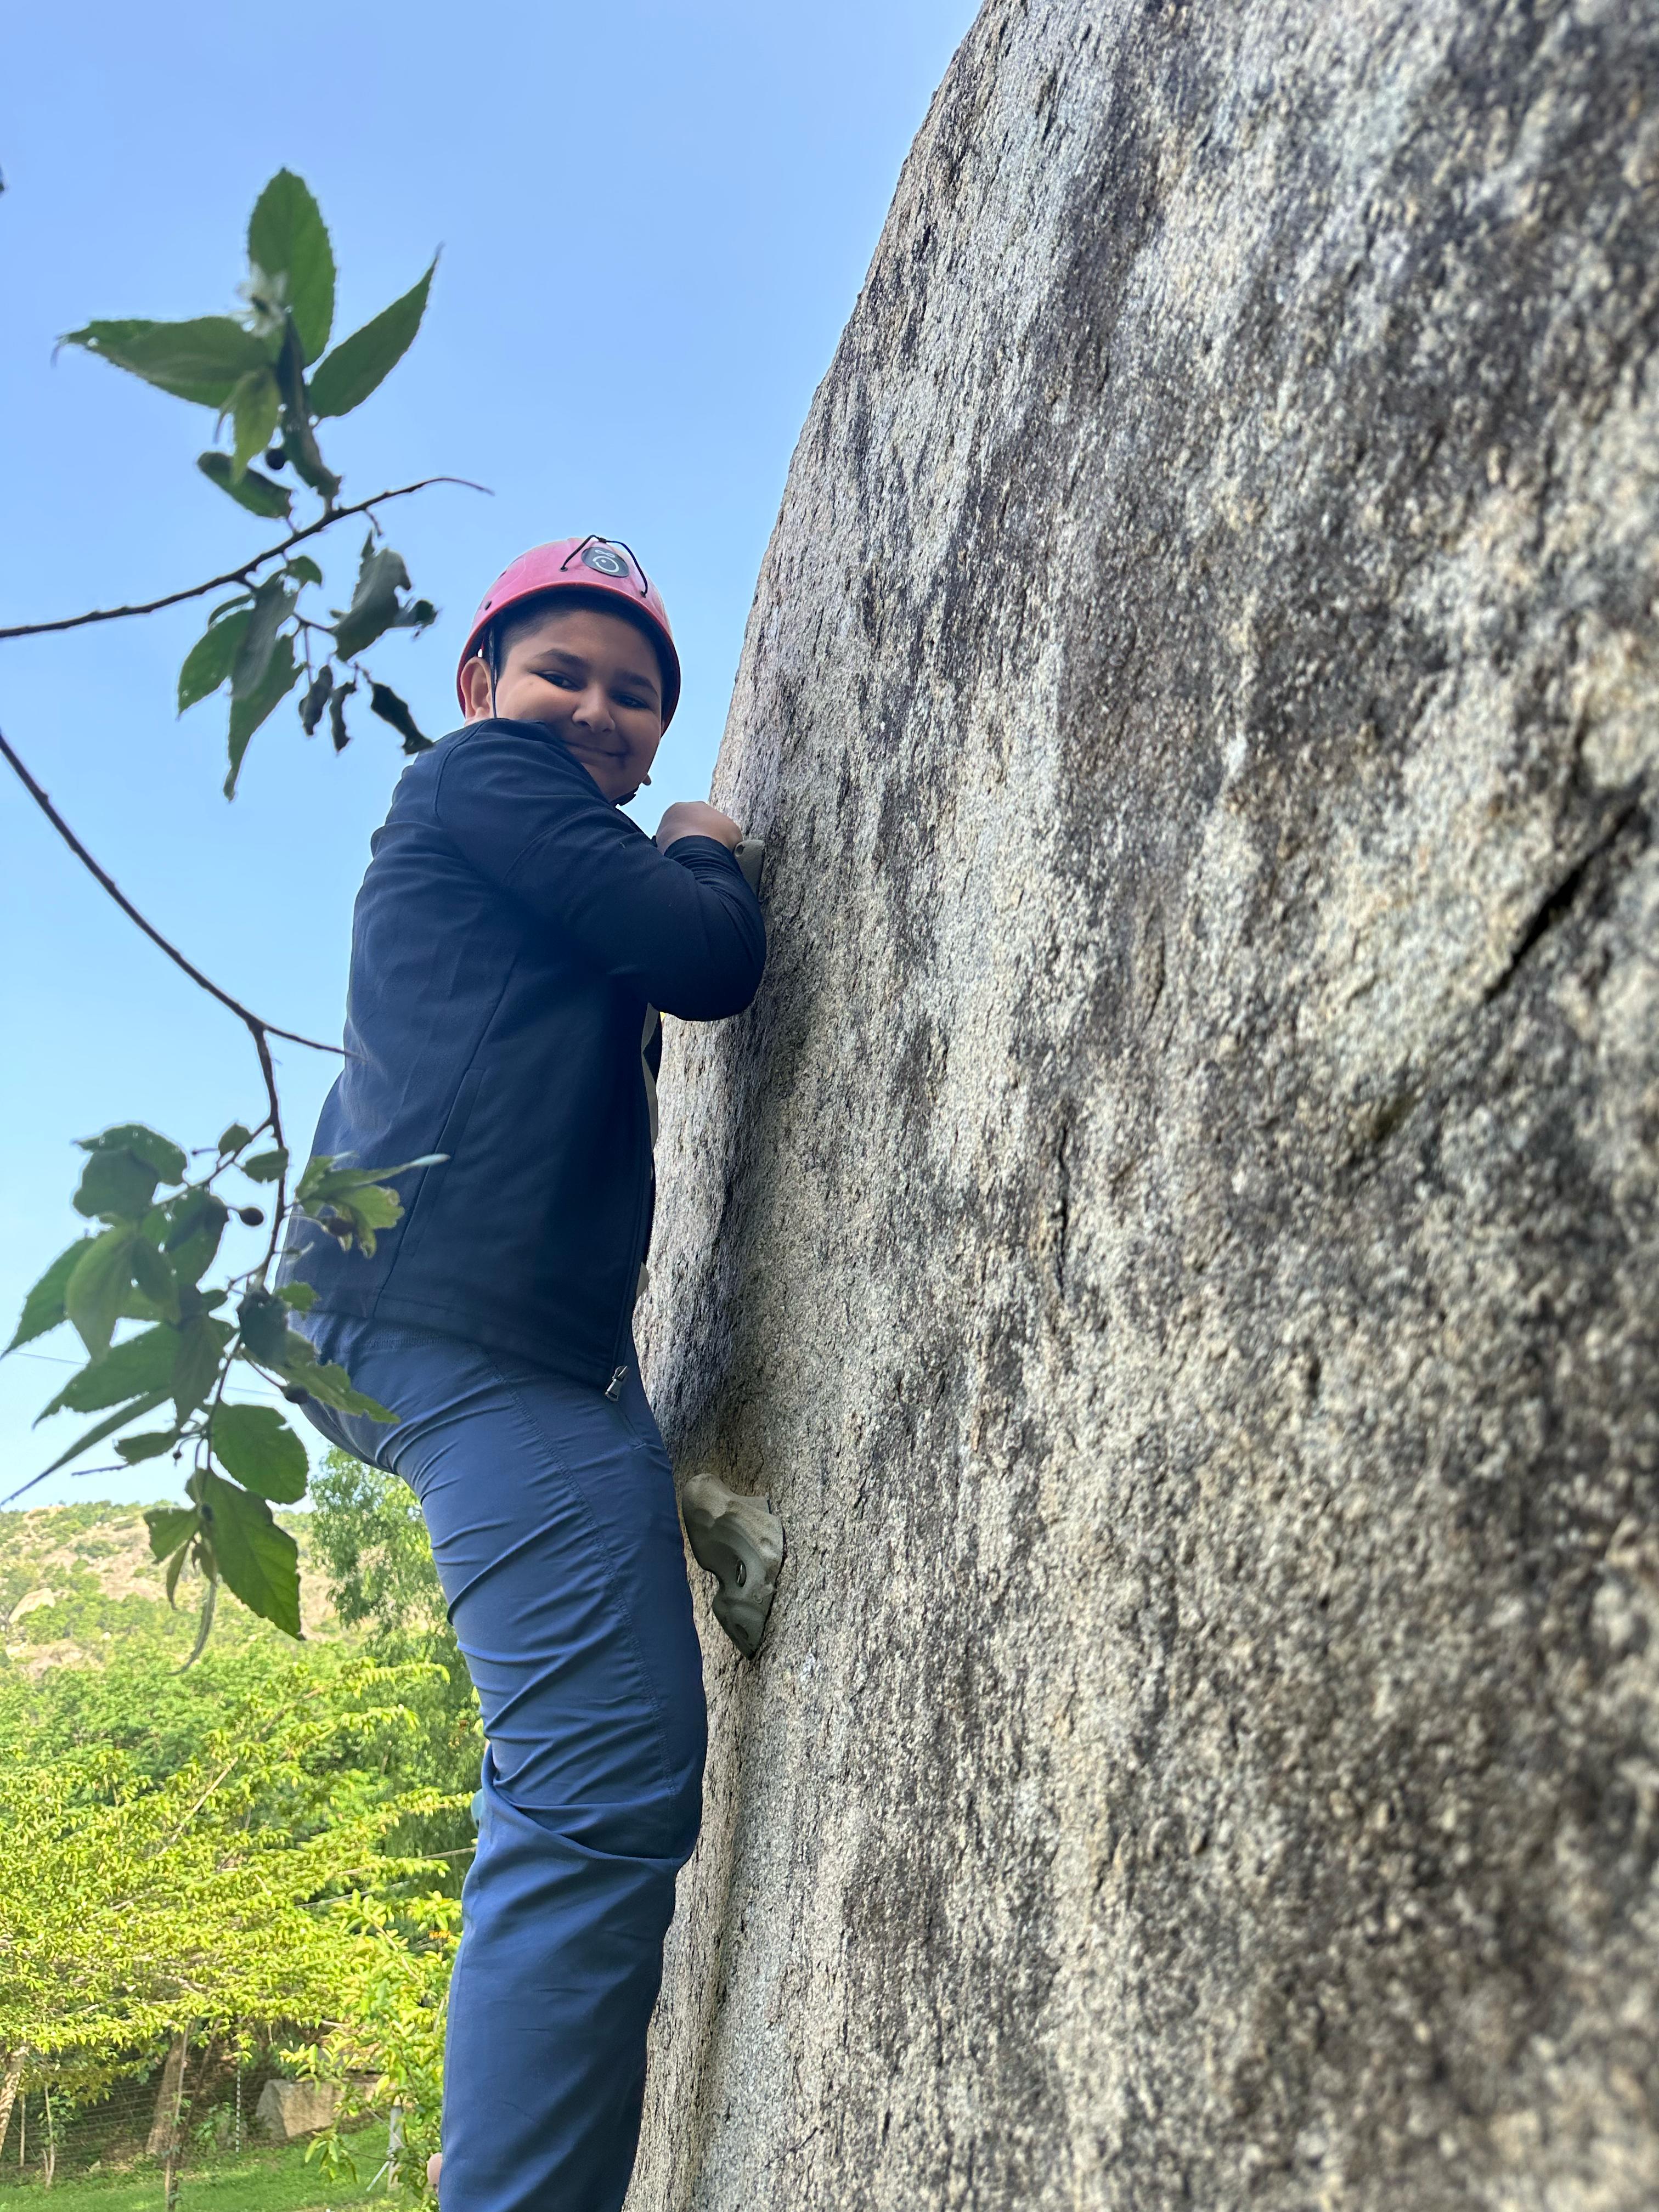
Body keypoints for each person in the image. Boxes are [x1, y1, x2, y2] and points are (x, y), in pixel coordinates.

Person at [278, 536, 766, 2212]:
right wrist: (708, 846)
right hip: (457, 1325)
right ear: (483, 685)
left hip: (484, 1337)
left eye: (637, 696)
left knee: (568, 1780)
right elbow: (704, 957)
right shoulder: (475, 778)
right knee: (597, 1790)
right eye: (564, 671)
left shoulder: (518, 842)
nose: (601, 711)